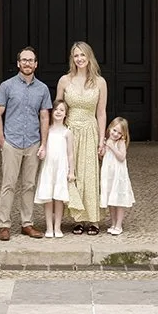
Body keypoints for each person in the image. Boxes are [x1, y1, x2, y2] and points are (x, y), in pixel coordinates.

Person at [0, 45, 51, 241]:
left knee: (29, 185)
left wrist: (43, 143)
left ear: (36, 64)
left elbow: (45, 117)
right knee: (8, 184)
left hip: (33, 143)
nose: (27, 63)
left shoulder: (42, 89)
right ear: (18, 63)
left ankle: (27, 224)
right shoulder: (7, 86)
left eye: (31, 60)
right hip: (12, 142)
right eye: (24, 60)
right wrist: (2, 141)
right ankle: (4, 225)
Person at [56, 41, 108, 235]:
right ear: (72, 58)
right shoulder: (64, 80)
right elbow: (59, 108)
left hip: (89, 130)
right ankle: (77, 218)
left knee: (89, 174)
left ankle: (92, 219)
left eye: (82, 55)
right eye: (76, 56)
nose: (79, 59)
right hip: (69, 131)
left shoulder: (100, 82)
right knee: (72, 173)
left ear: (89, 57)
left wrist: (102, 139)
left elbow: (101, 112)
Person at [33, 101, 77, 238]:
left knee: (59, 198)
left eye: (62, 110)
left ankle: (58, 227)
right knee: (48, 198)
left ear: (66, 114)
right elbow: (43, 146)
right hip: (48, 167)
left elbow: (70, 154)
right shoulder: (48, 130)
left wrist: (71, 171)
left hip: (61, 168)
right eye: (56, 109)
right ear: (52, 112)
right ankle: (49, 227)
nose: (58, 112)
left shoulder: (67, 132)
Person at [100, 117, 135, 236]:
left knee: (119, 200)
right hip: (108, 174)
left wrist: (112, 147)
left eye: (119, 133)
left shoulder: (120, 143)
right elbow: (102, 156)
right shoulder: (107, 140)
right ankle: (113, 223)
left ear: (123, 135)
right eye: (114, 130)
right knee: (111, 199)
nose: (115, 134)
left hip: (118, 175)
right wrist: (103, 148)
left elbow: (121, 157)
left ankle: (119, 224)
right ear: (110, 128)